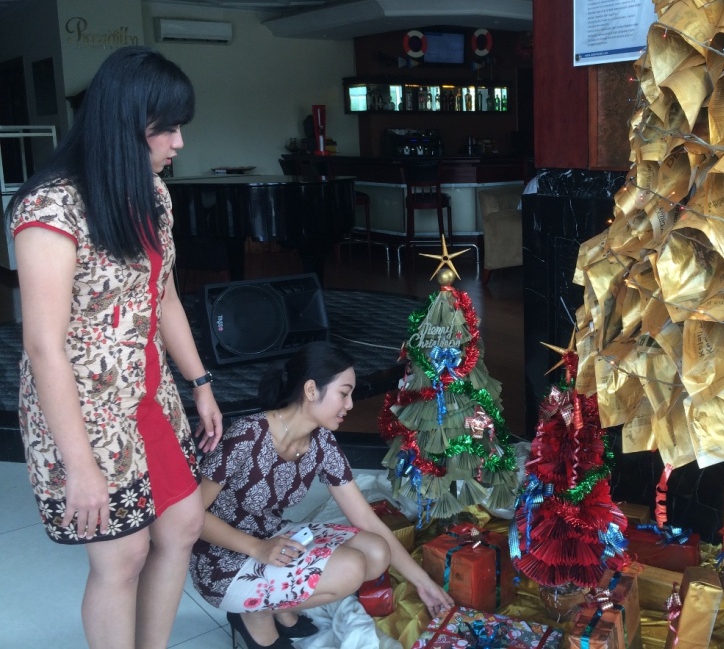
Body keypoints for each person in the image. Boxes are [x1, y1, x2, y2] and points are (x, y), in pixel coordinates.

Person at [4, 45, 223, 649]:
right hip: (86, 415)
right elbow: (44, 347)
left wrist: (200, 383)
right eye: (168, 128)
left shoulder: (152, 194)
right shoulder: (50, 208)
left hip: (149, 395)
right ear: (126, 122)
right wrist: (80, 469)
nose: (178, 143)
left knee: (181, 525)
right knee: (121, 557)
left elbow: (167, 296)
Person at [189, 341, 453, 649]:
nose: (351, 404)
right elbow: (191, 517)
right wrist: (257, 548)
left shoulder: (321, 442)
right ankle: (253, 615)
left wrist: (423, 584)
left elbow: (366, 519)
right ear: (311, 389)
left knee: (376, 551)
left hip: (273, 538)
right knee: (350, 568)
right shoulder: (247, 435)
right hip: (223, 558)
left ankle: (274, 606)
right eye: (344, 393)